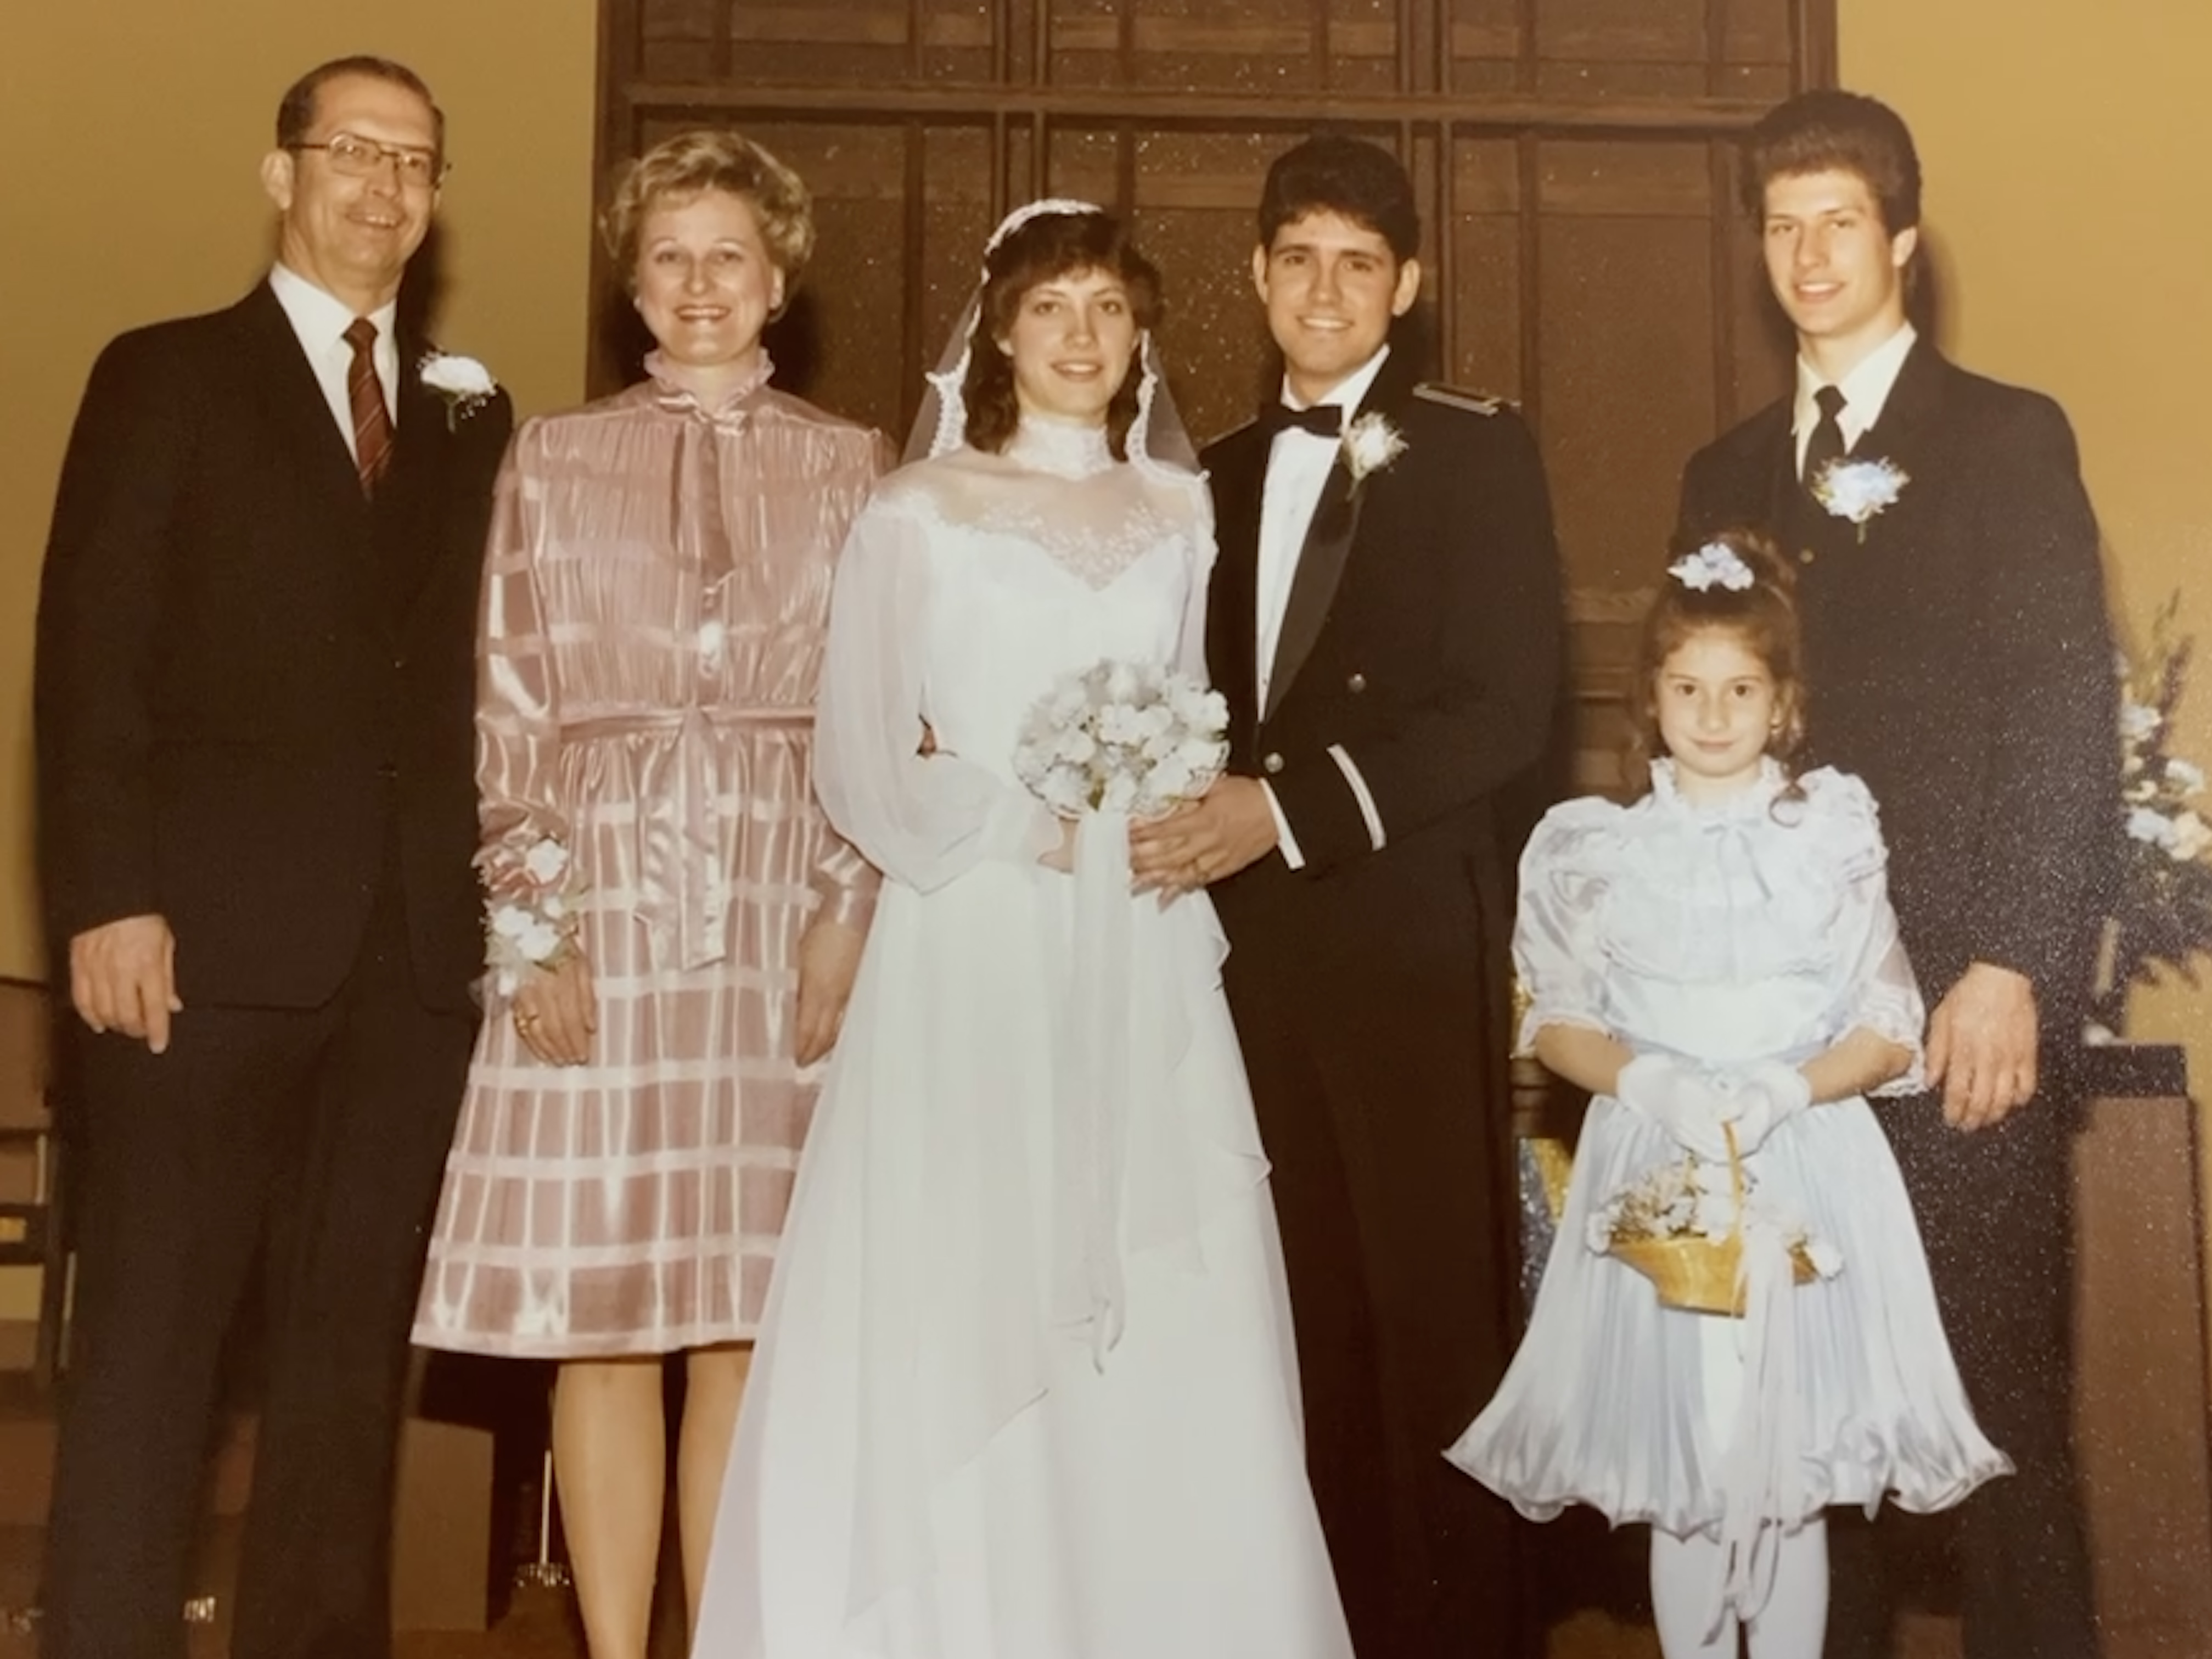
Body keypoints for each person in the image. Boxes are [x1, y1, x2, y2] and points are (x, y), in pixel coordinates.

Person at [688, 201, 1351, 1658]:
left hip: (1143, 928)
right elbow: (859, 753)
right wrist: (1024, 827)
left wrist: (1148, 811)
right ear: (997, 327)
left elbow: (1189, 706)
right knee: (968, 1259)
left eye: (1107, 312)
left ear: (1140, 339)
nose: (1078, 337)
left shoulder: (1179, 515)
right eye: (1049, 308)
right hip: (974, 928)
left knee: (1152, 1261)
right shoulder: (918, 507)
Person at [32, 56, 511, 1659]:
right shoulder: (162, 375)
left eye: (415, 163)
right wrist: (106, 895)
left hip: (407, 967)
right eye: (352, 153)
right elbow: (88, 661)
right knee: (155, 1353)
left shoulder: (471, 405)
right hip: (198, 954)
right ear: (281, 172)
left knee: (342, 1371)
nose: (383, 187)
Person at [407, 131, 882, 1659]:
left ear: (777, 279)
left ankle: (723, 1633)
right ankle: (615, 1647)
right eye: (668, 256)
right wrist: (531, 927)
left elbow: (879, 712)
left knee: (744, 1313)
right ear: (632, 282)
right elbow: (510, 707)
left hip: (774, 896)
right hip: (597, 901)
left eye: (727, 255)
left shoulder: (851, 463)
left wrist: (844, 905)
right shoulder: (550, 453)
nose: (698, 284)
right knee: (603, 1309)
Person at [1674, 89, 2118, 1659]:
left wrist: (2005, 959)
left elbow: (2063, 715)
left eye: (1836, 222)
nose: (1805, 253)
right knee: (1805, 1443)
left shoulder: (2003, 434)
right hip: (1785, 1034)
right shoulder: (1720, 474)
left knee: (1992, 1423)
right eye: (1779, 225)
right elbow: (1694, 741)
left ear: (1901, 247)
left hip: (1956, 1016)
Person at [1125, 132, 1564, 1656]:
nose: (1323, 290)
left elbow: (1507, 709)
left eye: (1357, 264)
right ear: (1253, 276)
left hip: (1391, 934)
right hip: (1234, 958)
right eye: (1295, 258)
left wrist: (1283, 810)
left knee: (1427, 1317)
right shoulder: (1205, 478)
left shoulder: (1474, 448)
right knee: (1287, 1318)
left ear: (1407, 287)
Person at [1447, 533, 2008, 1659]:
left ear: (1782, 701)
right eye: (1686, 688)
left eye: (1740, 688)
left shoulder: (1829, 832)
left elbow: (1886, 1022)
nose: (1712, 713)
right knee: (1690, 1466)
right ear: (1648, 699)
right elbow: (1554, 1017)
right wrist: (1647, 1076)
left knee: (1784, 1463)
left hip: (1799, 1157)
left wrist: (1777, 1085)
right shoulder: (1591, 847)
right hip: (1655, 1165)